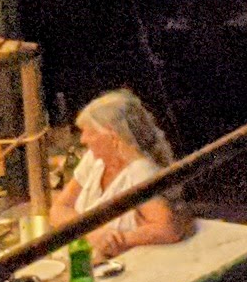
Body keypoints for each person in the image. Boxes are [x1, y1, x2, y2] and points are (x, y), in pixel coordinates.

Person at [61, 91, 191, 258]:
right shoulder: (93, 160)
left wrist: (119, 239)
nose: (83, 139)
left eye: (89, 132)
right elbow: (59, 209)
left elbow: (168, 228)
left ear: (111, 134)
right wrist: (93, 233)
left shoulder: (140, 171)